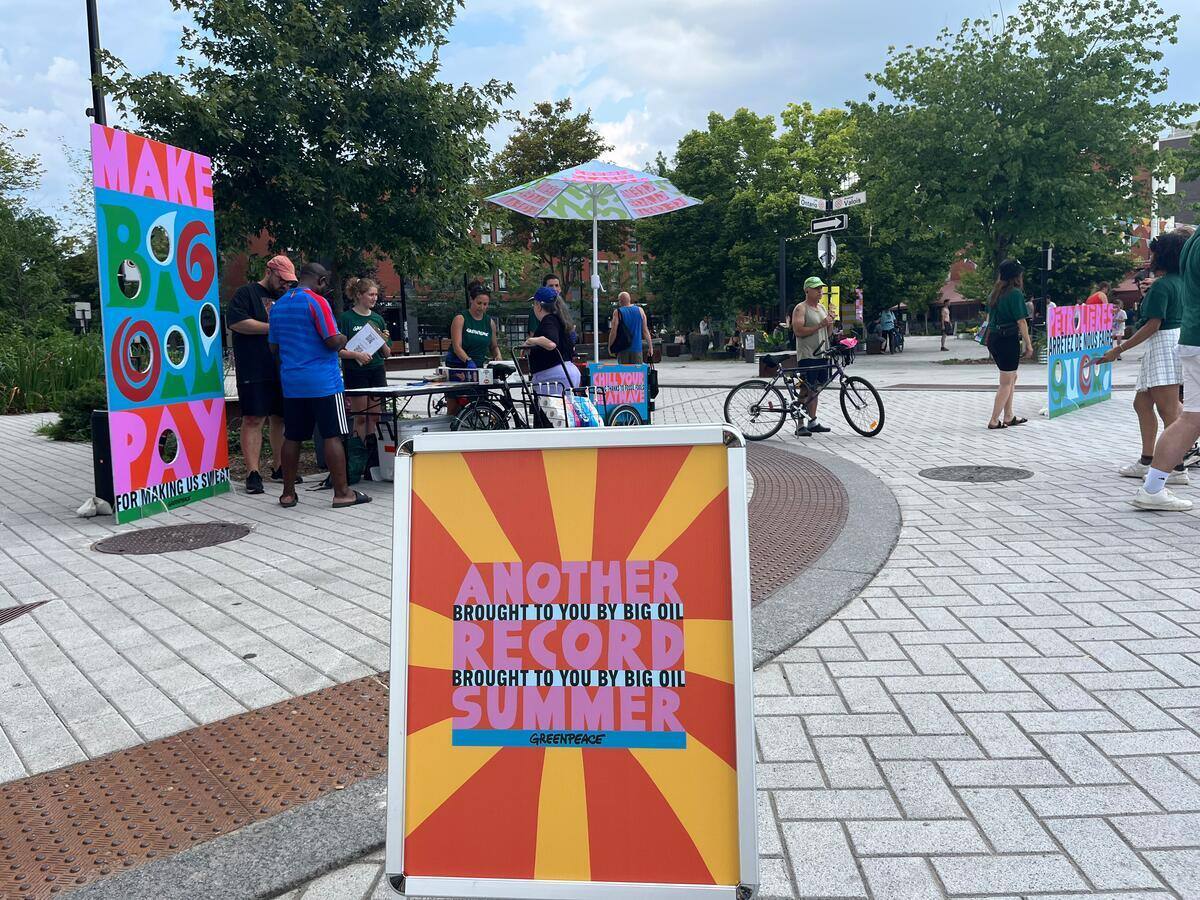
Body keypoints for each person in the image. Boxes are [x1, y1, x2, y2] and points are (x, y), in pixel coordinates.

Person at [268, 262, 370, 510]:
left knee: (292, 437)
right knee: (332, 435)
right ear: (321, 281)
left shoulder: (279, 305)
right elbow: (332, 341)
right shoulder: (317, 302)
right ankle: (343, 493)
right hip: (323, 382)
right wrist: (344, 337)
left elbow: (273, 347)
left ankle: (288, 494)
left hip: (292, 383)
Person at [1099, 230, 1188, 501]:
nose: (1151, 255)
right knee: (1143, 404)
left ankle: (1175, 466)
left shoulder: (1162, 285)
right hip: (1172, 341)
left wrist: (1119, 349)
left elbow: (1152, 324)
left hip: (1163, 345)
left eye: (1154, 251)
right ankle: (1149, 459)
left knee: (1169, 411)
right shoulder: (1182, 282)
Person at [227, 255, 296, 494]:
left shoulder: (285, 298)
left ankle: (279, 467)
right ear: (269, 271)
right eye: (282, 278)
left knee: (280, 417)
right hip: (253, 366)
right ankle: (253, 472)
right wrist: (274, 328)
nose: (284, 284)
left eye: (288, 281)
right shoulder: (246, 293)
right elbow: (236, 322)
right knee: (254, 418)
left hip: (282, 366)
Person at [337, 277, 391, 442]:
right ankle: (358, 450)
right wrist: (357, 355)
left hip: (376, 369)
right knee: (360, 416)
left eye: (376, 294)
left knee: (375, 416)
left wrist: (382, 340)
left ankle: (373, 448)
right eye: (370, 294)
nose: (374, 298)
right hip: (356, 371)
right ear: (359, 295)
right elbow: (339, 350)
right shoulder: (346, 319)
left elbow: (387, 353)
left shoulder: (377, 319)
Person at [985, 259, 1035, 430]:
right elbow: (1021, 321)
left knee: (1012, 377)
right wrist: (1028, 345)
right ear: (1016, 275)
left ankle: (1009, 415)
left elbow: (989, 318)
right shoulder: (1014, 294)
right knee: (1006, 381)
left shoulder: (994, 293)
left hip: (994, 339)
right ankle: (994, 419)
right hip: (1007, 339)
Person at [791, 276, 835, 436]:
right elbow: (798, 331)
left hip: (822, 353)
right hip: (808, 354)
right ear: (807, 290)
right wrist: (820, 325)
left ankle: (813, 420)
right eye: (816, 288)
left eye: (821, 288)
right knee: (804, 389)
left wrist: (830, 323)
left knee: (816, 388)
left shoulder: (822, 308)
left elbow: (827, 333)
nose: (820, 292)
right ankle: (800, 424)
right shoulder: (801, 308)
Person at [525, 286, 580, 398]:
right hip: (568, 371)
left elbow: (551, 343)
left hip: (553, 376)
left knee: (552, 413)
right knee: (565, 413)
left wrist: (531, 340)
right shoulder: (562, 321)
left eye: (534, 304)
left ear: (539, 306)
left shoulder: (548, 320)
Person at [608, 291, 652, 364]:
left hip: (623, 349)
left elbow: (613, 331)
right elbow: (645, 330)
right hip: (637, 348)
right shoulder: (640, 310)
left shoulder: (617, 312)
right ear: (629, 299)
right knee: (637, 374)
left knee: (624, 373)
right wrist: (650, 347)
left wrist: (610, 346)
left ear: (620, 301)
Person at [528, 273, 561, 338]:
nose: (554, 288)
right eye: (551, 286)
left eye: (557, 285)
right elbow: (533, 335)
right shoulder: (537, 309)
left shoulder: (562, 308)